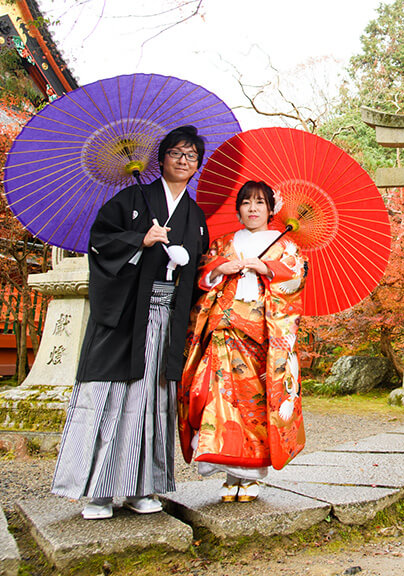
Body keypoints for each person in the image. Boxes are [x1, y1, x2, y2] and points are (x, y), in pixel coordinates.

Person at [51, 125, 211, 519]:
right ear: (161, 158)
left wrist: (192, 270)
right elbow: (100, 241)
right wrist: (139, 240)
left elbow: (200, 272)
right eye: (176, 153)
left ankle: (144, 488)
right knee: (111, 395)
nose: (183, 161)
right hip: (126, 317)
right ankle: (99, 492)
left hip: (167, 319)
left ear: (197, 165)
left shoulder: (196, 217)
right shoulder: (133, 198)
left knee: (153, 402)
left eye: (191, 156)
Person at [178, 179, 308, 502]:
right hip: (222, 329)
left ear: (271, 210)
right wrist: (220, 269)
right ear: (238, 210)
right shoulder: (224, 242)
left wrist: (265, 267)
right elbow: (202, 276)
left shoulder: (285, 246)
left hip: (259, 334)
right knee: (212, 395)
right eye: (246, 203)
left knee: (252, 403)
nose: (252, 209)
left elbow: (296, 276)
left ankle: (250, 476)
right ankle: (228, 471)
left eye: (260, 203)